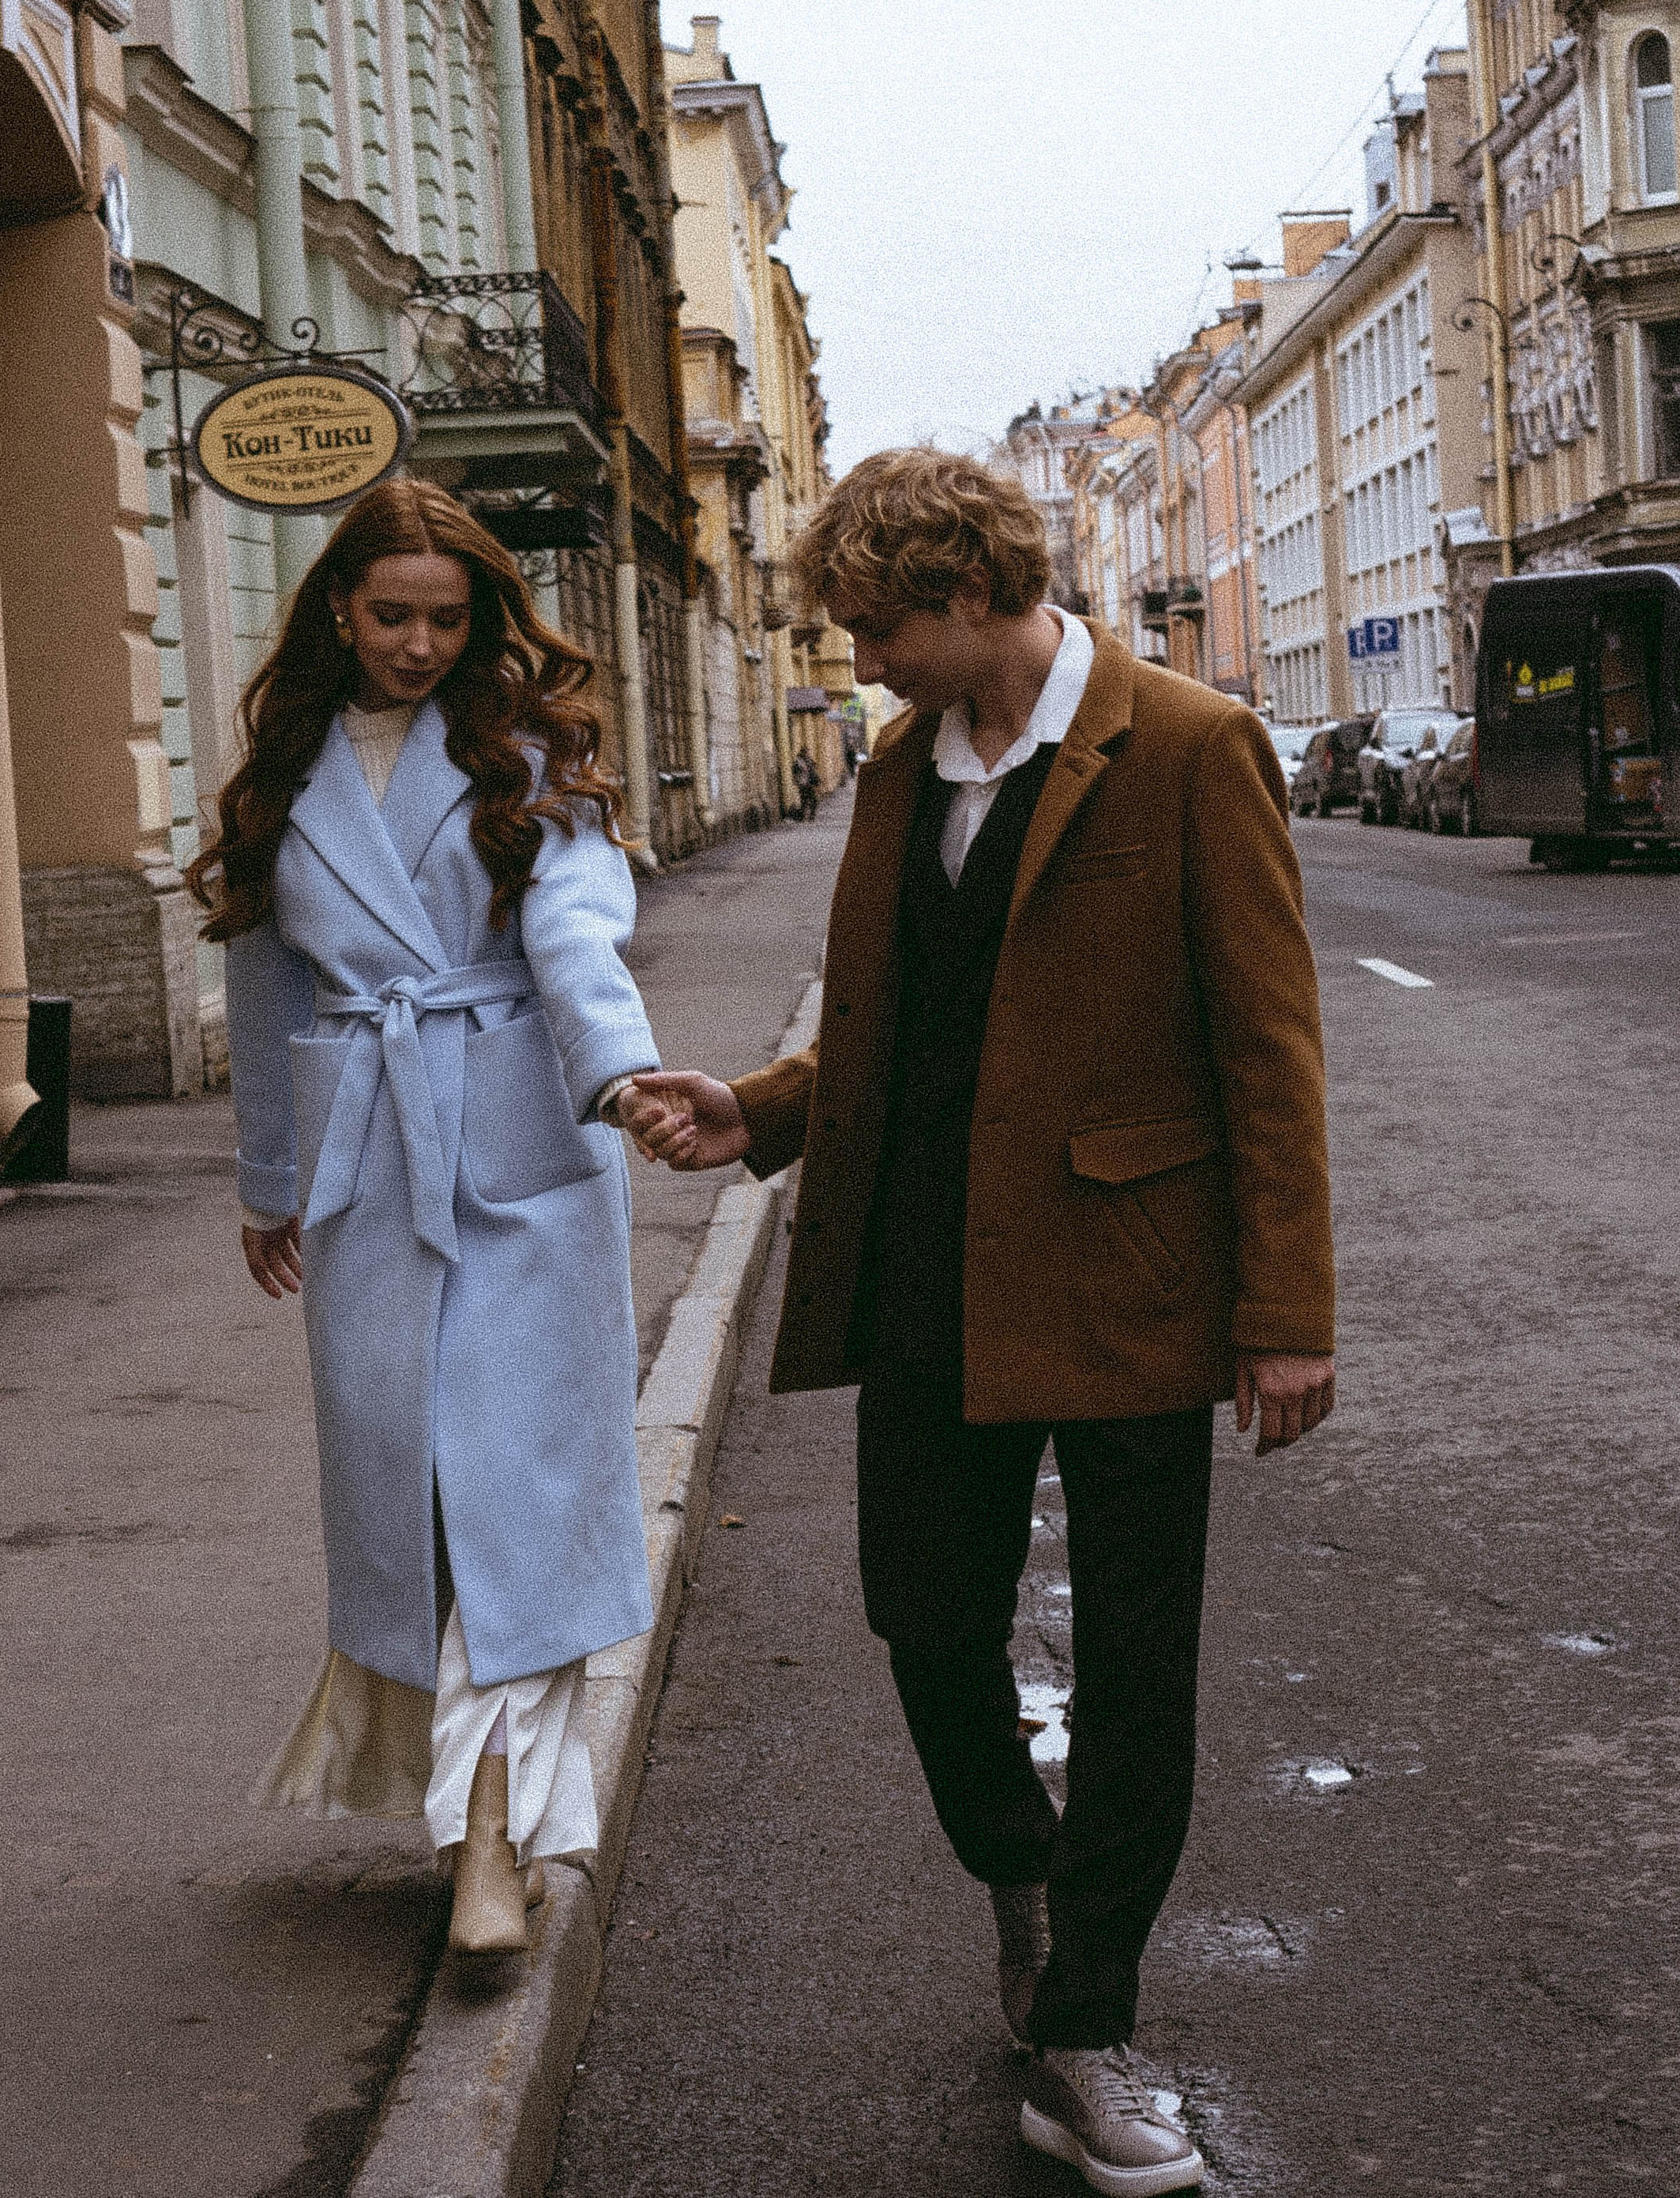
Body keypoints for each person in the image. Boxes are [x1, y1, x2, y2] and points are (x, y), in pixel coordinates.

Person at [626, 450, 1335, 2192]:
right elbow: (907, 1021)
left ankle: (1084, 2025)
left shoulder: (1180, 744)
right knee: (920, 1612)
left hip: (1130, 1276)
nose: (858, 658)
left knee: (1135, 1661)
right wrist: (764, 1109)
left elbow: (1268, 1049)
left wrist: (1284, 1312)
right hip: (927, 1267)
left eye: (874, 624)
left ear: (960, 594)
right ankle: (1021, 1871)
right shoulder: (897, 767)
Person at [186, 478, 661, 1955]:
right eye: (391, 613)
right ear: (340, 606)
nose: (416, 642)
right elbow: (266, 988)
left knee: (512, 1500)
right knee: (419, 1507)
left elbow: (576, 934)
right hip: (365, 1168)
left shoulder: (532, 757)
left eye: (447, 618)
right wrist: (274, 1182)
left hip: (527, 1144)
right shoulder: (286, 770)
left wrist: (622, 1071)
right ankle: (470, 1815)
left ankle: (489, 1846)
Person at [791, 745, 821, 822]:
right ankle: (803, 816)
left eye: (808, 752)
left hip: (810, 783)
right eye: (806, 752)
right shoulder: (798, 761)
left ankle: (811, 815)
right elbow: (795, 772)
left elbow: (814, 769)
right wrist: (798, 779)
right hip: (803, 784)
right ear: (802, 753)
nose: (807, 754)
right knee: (805, 800)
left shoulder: (809, 760)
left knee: (813, 800)